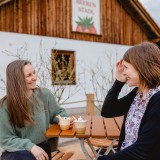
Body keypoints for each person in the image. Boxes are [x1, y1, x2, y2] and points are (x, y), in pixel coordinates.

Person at [0, 60, 75, 160]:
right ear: (17, 79)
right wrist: (31, 147)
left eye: (34, 72)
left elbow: (58, 113)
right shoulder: (5, 106)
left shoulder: (44, 95)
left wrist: (65, 120)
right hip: (18, 152)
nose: (35, 77)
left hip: (42, 149)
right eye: (29, 75)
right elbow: (5, 139)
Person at [98, 42, 160, 160]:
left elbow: (142, 151)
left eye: (126, 67)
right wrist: (119, 81)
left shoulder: (157, 100)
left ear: (141, 67)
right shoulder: (137, 94)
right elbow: (108, 111)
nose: (123, 72)